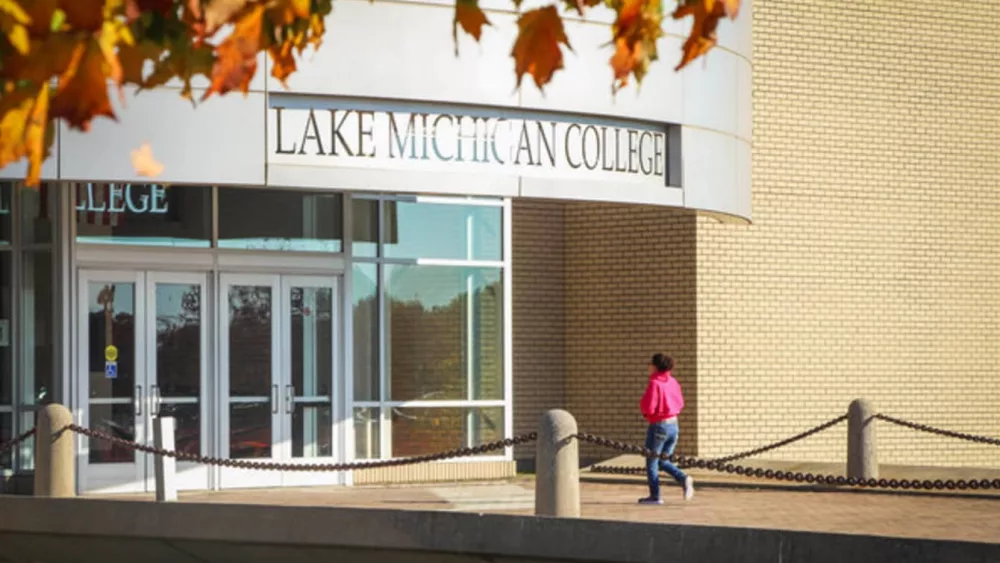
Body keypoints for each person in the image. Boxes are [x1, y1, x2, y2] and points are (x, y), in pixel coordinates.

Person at [638, 353, 695, 504]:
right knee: (663, 461)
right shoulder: (673, 382)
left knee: (652, 462)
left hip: (659, 426)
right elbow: (680, 403)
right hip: (673, 425)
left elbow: (649, 407)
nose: (648, 366)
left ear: (655, 366)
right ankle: (683, 478)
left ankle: (655, 496)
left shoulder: (655, 383)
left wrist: (646, 413)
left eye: (650, 363)